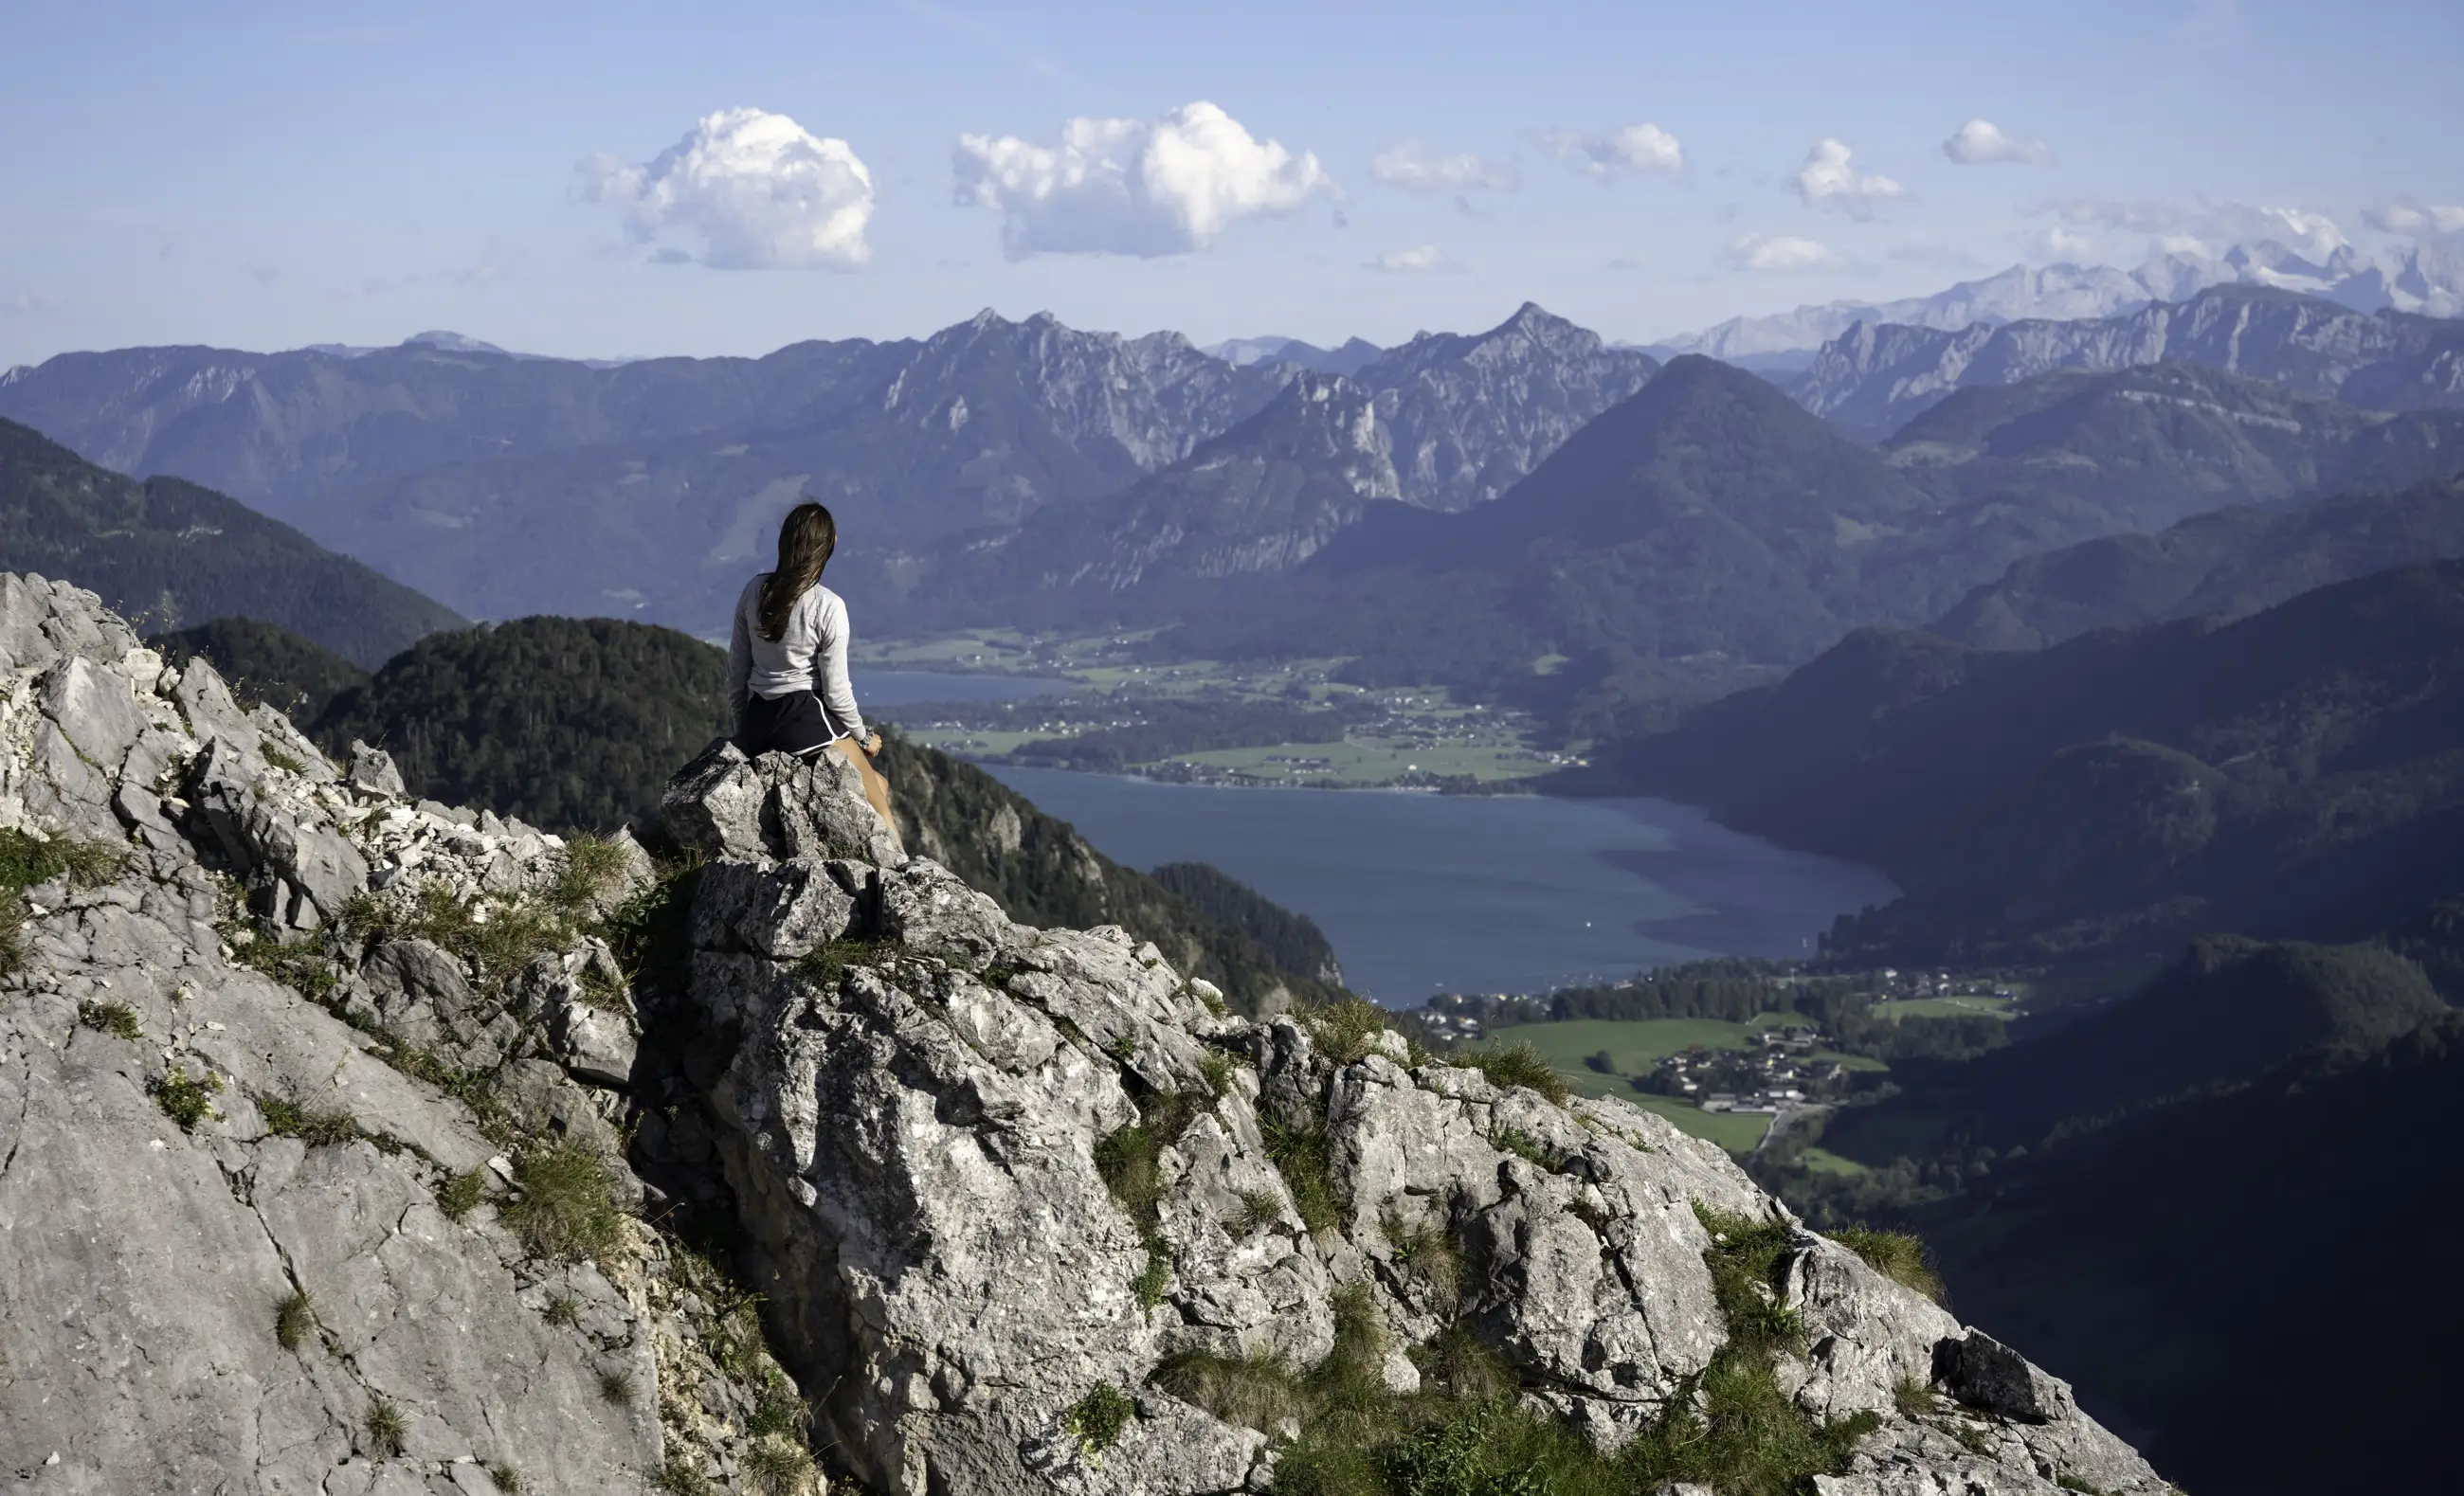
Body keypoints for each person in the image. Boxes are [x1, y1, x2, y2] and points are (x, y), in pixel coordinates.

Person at [727, 501, 902, 851]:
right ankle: (903, 870)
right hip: (804, 716)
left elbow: (737, 668)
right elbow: (836, 692)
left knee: (878, 784)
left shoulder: (754, 591)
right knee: (879, 801)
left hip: (759, 717)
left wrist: (742, 727)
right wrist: (864, 737)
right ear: (828, 547)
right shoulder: (828, 605)